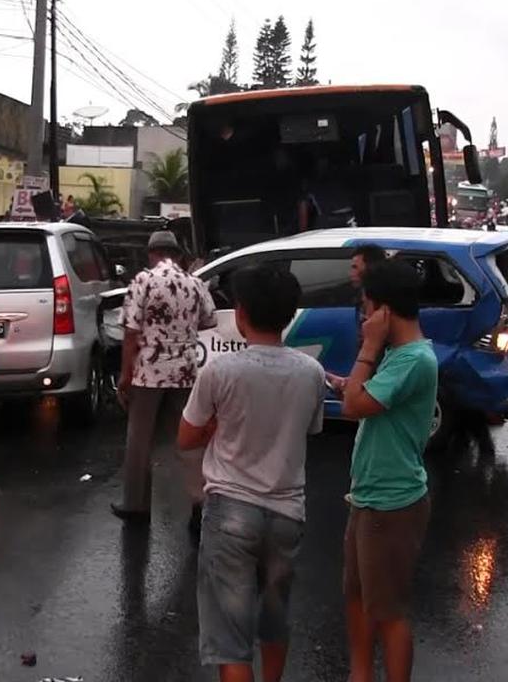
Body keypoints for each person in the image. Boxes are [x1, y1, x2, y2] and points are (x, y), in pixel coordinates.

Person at [178, 265, 325, 682]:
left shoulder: (219, 371)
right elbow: (310, 429)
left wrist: (216, 426)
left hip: (230, 512)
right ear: (291, 315)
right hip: (287, 513)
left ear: (239, 313)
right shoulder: (310, 372)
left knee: (231, 635)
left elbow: (186, 437)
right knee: (275, 617)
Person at [325, 259, 436, 682]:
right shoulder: (399, 356)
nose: (364, 319)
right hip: (369, 496)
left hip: (392, 504)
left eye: (368, 308)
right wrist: (344, 381)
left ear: (385, 310)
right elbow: (361, 396)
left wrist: (367, 349)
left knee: (388, 611)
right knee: (356, 596)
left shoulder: (411, 359)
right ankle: (359, 674)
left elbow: (355, 408)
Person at [112, 231, 217, 526]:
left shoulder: (143, 281)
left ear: (152, 253)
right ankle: (200, 503)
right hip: (185, 370)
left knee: (139, 439)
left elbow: (131, 332)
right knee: (189, 440)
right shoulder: (194, 283)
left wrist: (124, 375)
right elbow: (210, 319)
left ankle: (136, 506)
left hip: (148, 373)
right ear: (176, 253)